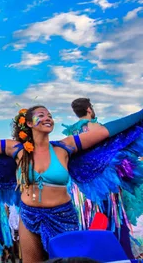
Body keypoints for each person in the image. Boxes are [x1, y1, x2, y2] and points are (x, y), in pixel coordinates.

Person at [0, 105, 143, 262]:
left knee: (67, 262)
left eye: (50, 115)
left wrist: (140, 115)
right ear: (29, 124)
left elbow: (109, 131)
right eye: (41, 115)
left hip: (62, 216)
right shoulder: (17, 150)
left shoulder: (65, 146)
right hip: (29, 215)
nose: (48, 118)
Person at [63, 98, 136, 258]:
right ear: (89, 109)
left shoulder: (70, 133)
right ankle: (121, 257)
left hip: (81, 188)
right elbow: (109, 149)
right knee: (115, 221)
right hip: (103, 183)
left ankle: (96, 257)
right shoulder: (95, 127)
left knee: (92, 221)